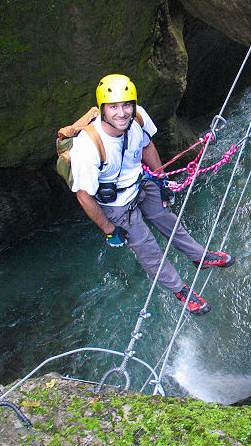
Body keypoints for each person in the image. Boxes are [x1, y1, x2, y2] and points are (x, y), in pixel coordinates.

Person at [69, 74, 234, 315]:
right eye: (113, 107)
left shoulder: (137, 117)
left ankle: (200, 256)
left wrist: (161, 181)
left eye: (126, 105)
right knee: (149, 250)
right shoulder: (87, 147)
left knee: (169, 221)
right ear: (103, 109)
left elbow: (147, 146)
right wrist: (109, 230)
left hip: (142, 182)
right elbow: (84, 196)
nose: (122, 113)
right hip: (116, 204)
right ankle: (180, 290)